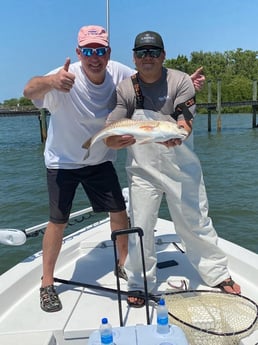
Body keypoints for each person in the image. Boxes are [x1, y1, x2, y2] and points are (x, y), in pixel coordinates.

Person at [23, 25, 205, 313]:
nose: (94, 57)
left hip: (101, 160)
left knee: (119, 212)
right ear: (78, 52)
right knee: (57, 220)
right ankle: (47, 283)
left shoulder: (119, 73)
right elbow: (28, 89)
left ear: (108, 53)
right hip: (62, 161)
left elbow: (151, 79)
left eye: (100, 51)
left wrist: (186, 87)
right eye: (88, 51)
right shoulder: (64, 76)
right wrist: (51, 81)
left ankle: (124, 266)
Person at [105, 30, 241, 308]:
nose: (148, 58)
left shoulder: (180, 81)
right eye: (142, 53)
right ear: (134, 57)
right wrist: (112, 140)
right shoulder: (126, 89)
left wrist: (179, 134)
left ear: (163, 55)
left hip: (181, 165)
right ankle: (139, 282)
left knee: (195, 222)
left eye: (154, 52)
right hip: (142, 170)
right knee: (140, 225)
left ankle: (216, 273)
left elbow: (186, 122)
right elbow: (112, 127)